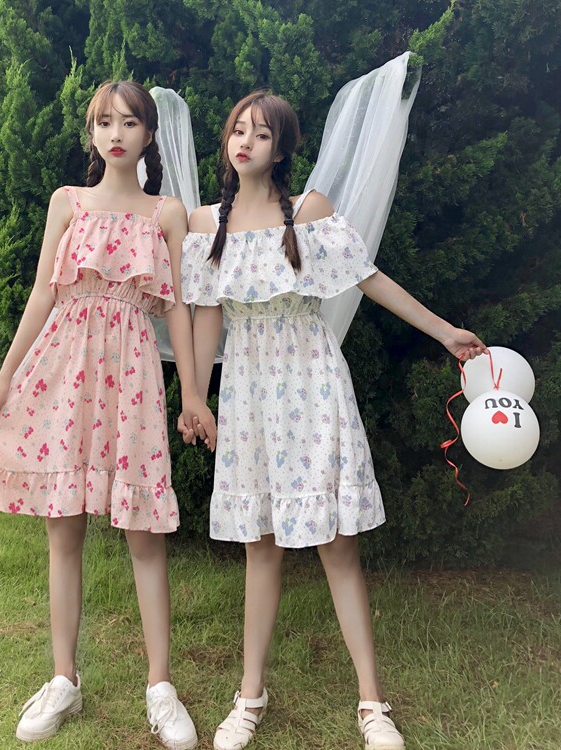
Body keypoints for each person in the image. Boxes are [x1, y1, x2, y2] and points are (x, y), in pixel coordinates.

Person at [178, 91, 485, 750]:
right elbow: (205, 317)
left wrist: (443, 331)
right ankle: (249, 697)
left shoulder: (309, 211)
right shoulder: (205, 226)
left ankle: (372, 703)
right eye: (238, 130)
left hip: (313, 386)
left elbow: (368, 277)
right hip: (249, 397)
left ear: (282, 149)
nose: (245, 141)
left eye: (262, 134)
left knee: (337, 545)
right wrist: (195, 397)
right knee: (261, 543)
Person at [0, 80, 215, 748]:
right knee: (63, 529)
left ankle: (160, 687)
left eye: (129, 122)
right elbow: (43, 294)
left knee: (143, 532)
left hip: (131, 376)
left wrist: (192, 394)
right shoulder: (67, 202)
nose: (115, 133)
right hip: (63, 370)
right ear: (92, 133)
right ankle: (63, 679)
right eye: (104, 122)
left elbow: (178, 310)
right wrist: (6, 376)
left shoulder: (167, 213)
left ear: (148, 134)